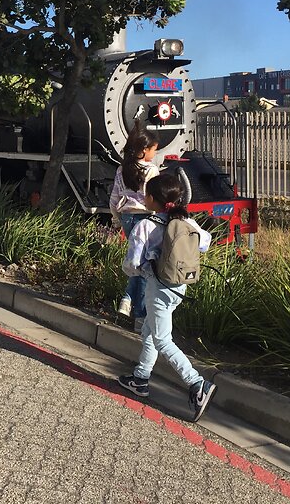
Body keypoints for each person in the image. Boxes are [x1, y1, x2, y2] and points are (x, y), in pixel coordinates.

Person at [115, 172, 218, 422]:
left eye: (146, 195)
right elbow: (206, 241)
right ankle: (140, 378)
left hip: (157, 288)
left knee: (162, 339)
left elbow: (131, 264)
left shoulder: (146, 226)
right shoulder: (187, 223)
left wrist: (139, 270)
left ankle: (197, 384)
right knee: (150, 332)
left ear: (151, 199)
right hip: (179, 287)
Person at [109, 126, 161, 332]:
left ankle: (127, 300)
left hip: (128, 219)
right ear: (143, 150)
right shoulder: (152, 170)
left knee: (136, 263)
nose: (155, 153)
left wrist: (117, 219)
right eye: (154, 150)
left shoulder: (121, 169)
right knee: (144, 268)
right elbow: (154, 199)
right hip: (146, 220)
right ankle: (139, 315)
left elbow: (114, 198)